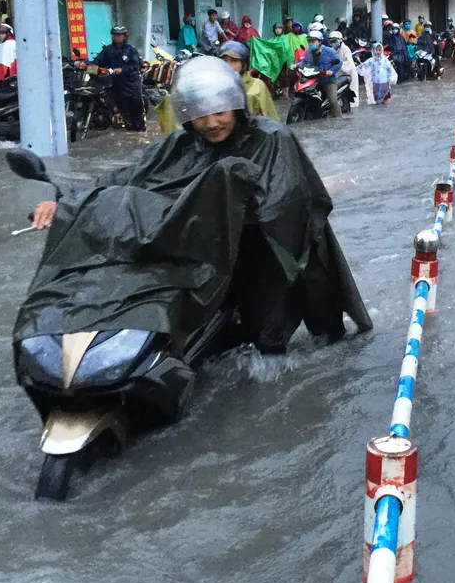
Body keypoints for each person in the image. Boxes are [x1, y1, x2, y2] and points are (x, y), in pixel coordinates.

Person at [24, 56, 371, 355]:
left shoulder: (270, 138)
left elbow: (287, 202)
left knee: (277, 341)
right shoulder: (178, 145)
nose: (211, 123)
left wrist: (232, 205)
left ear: (235, 105)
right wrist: (65, 202)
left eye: (219, 112)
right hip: (203, 248)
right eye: (201, 116)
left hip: (267, 250)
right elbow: (128, 178)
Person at [93, 25, 146, 131]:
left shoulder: (131, 50)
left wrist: (122, 70)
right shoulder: (108, 50)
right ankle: (128, 127)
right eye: (114, 35)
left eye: (119, 35)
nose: (116, 37)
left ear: (125, 36)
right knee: (123, 108)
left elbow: (135, 66)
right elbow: (97, 61)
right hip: (117, 84)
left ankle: (139, 129)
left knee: (136, 108)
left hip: (131, 84)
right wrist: (84, 63)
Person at [219, 40, 278, 121]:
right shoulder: (216, 86)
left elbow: (270, 117)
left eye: (234, 60)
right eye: (224, 61)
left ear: (244, 64)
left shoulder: (257, 85)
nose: (228, 65)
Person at [298, 29, 343, 119]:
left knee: (333, 100)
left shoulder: (328, 51)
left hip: (328, 80)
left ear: (320, 42)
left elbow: (339, 62)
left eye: (313, 41)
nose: (311, 43)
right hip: (314, 79)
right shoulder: (308, 51)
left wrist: (331, 71)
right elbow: (304, 62)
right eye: (309, 41)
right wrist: (295, 65)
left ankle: (339, 119)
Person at [329, 31, 358, 109]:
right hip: (339, 73)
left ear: (340, 41)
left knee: (352, 90)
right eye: (331, 41)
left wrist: (340, 63)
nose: (333, 43)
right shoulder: (332, 50)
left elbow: (349, 64)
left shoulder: (346, 49)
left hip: (350, 74)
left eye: (335, 41)